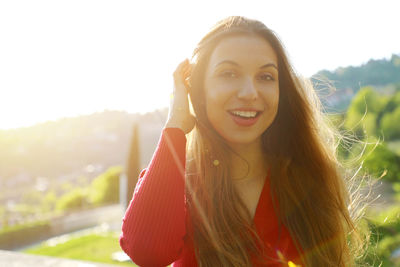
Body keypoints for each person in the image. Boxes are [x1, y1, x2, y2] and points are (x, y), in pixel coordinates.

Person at [120, 16, 365, 267]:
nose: (249, 92)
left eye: (266, 77)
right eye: (229, 74)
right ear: (198, 89)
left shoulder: (308, 179)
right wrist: (175, 125)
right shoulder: (177, 180)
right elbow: (148, 252)